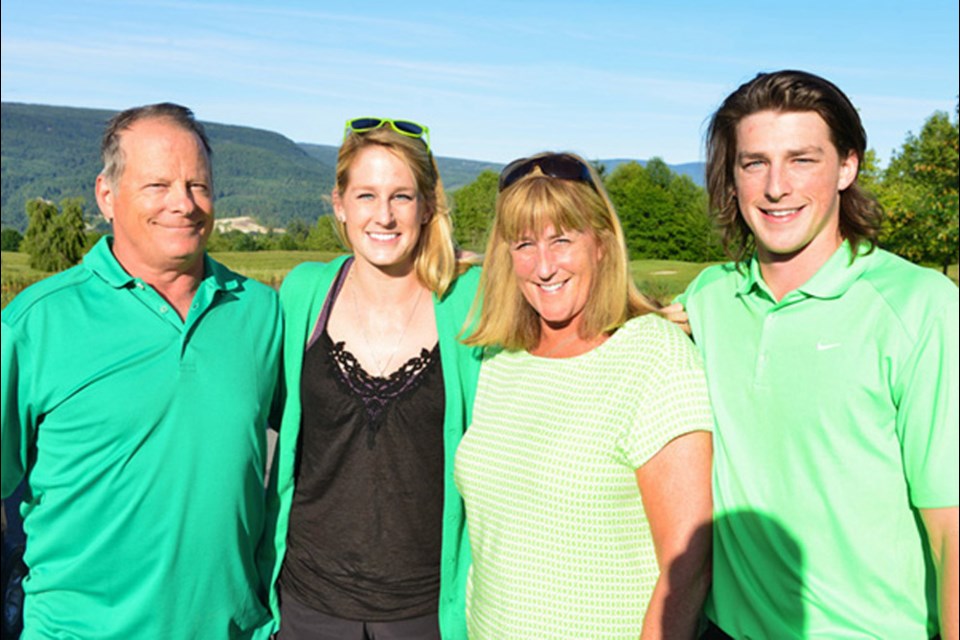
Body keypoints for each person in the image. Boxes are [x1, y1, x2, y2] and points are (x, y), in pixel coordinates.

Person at [674, 70, 959, 639]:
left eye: (802, 160)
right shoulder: (708, 298)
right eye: (754, 163)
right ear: (732, 177)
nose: (776, 186)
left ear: (847, 167)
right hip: (724, 629)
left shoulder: (921, 307)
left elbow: (952, 530)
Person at [0, 103, 282, 638]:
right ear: (107, 195)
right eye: (158, 185)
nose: (183, 204)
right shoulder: (35, 324)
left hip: (236, 631)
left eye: (198, 185)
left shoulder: (258, 311)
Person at [455, 152, 714, 639]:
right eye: (524, 244)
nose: (544, 266)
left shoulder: (654, 356)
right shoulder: (501, 360)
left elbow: (688, 568)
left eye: (562, 239)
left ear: (601, 244)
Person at [264, 118, 481, 639]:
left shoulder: (470, 300)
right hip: (309, 604)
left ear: (427, 207)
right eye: (365, 195)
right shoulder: (305, 295)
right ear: (339, 204)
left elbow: (568, 300)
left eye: (401, 196)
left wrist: (674, 314)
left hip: (426, 609)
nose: (383, 216)